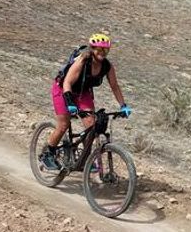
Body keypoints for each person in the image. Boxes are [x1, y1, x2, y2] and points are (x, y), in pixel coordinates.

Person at [40, 32, 132, 170]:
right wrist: (70, 103)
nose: (102, 52)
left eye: (105, 50)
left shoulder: (107, 66)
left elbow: (115, 86)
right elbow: (67, 82)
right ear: (93, 49)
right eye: (99, 49)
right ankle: (48, 153)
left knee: (92, 126)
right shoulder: (83, 60)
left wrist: (123, 105)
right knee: (64, 124)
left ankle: (84, 161)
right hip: (63, 90)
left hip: (83, 93)